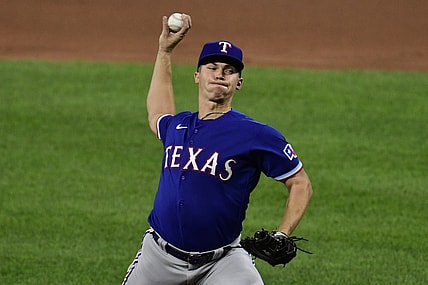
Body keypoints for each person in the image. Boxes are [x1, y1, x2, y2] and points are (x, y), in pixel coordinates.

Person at [122, 13, 313, 285]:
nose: (220, 74)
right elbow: (157, 113)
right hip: (158, 257)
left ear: (239, 82)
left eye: (229, 70)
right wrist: (164, 51)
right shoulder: (178, 126)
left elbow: (300, 183)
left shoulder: (256, 134)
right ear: (197, 76)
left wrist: (282, 234)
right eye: (212, 67)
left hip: (222, 262)